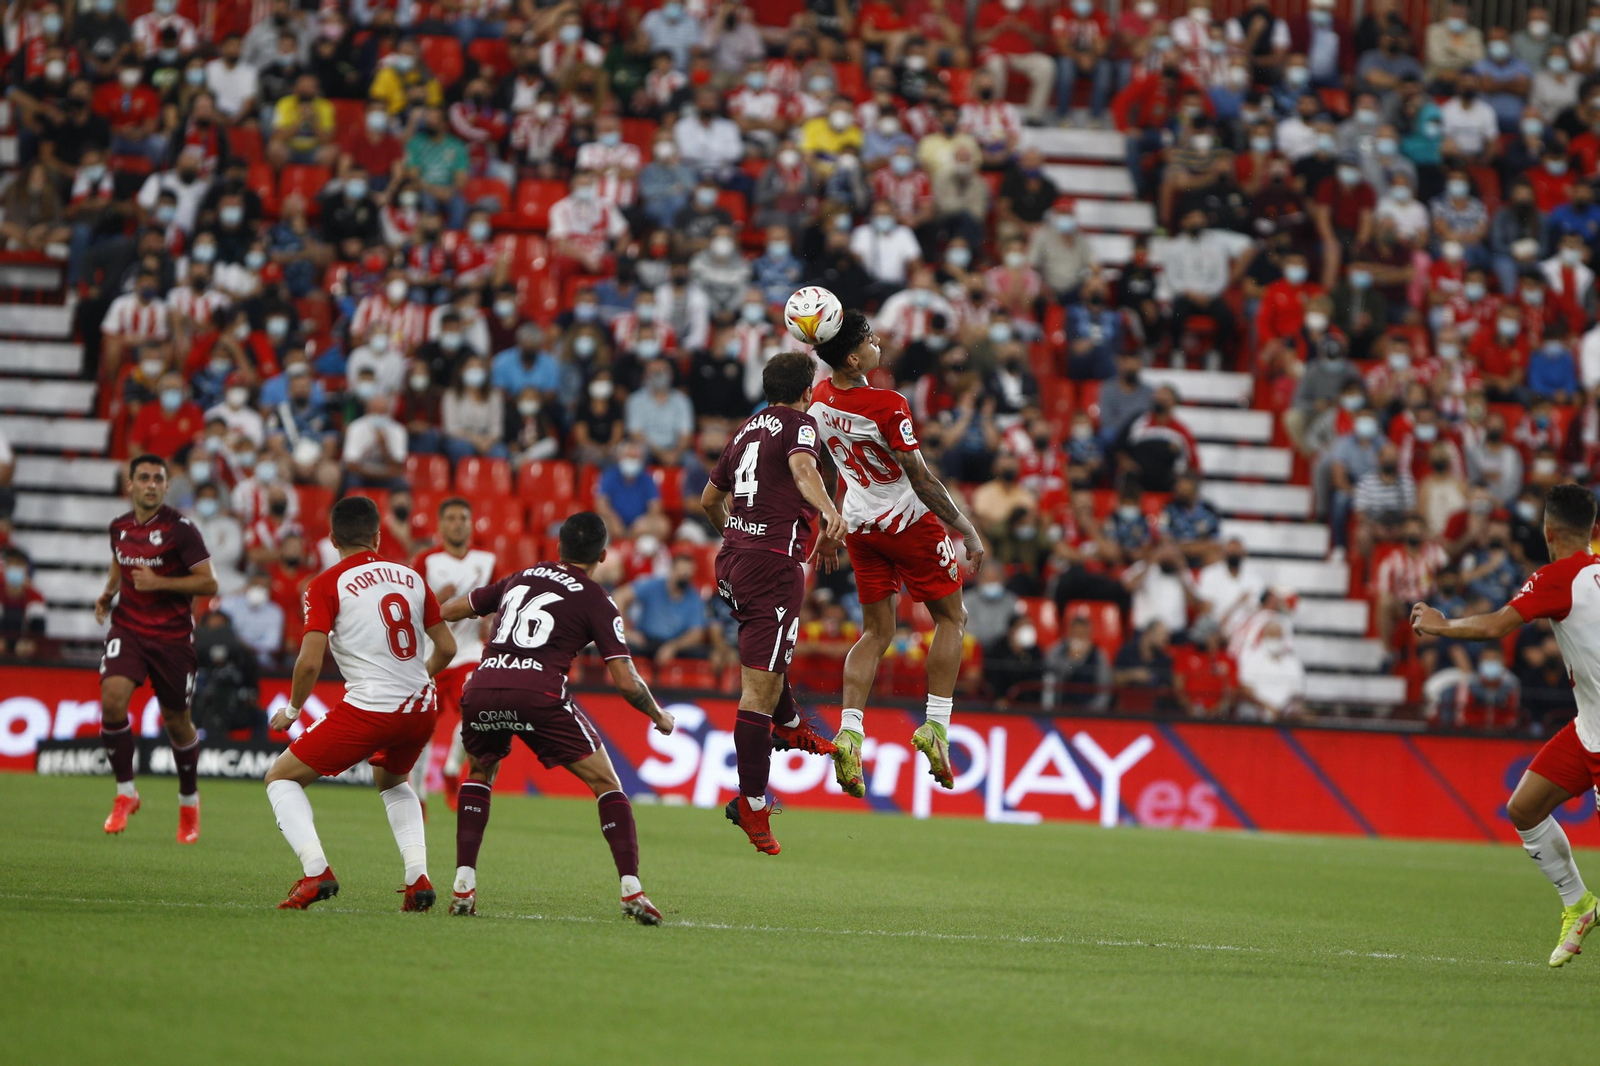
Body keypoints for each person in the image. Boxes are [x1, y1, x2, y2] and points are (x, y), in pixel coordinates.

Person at [436, 512, 674, 923]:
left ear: (558, 547)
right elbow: (625, 680)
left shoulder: (520, 576)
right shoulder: (596, 598)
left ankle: (463, 883)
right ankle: (631, 890)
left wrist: (413, 620)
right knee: (606, 782)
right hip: (537, 693)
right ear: (602, 554)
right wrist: (657, 713)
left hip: (482, 686)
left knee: (479, 772)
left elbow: (456, 608)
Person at [1410, 483, 1600, 966]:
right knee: (1525, 807)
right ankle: (1579, 904)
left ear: (1548, 531)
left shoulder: (1558, 576)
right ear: (1593, 530)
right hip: (1588, 727)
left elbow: (1496, 626)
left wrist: (1439, 623)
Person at [809, 309, 986, 797]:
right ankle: (936, 725)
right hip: (908, 522)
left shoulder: (819, 400)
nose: (877, 341)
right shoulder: (888, 405)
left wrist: (830, 522)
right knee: (952, 619)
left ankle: (849, 730)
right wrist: (966, 529)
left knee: (876, 631)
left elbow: (834, 467)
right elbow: (922, 479)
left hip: (861, 525)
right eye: (868, 338)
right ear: (851, 356)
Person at [264, 496, 457, 911]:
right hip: (422, 707)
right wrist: (416, 678)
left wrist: (293, 711)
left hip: (373, 706)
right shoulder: (411, 577)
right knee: (394, 781)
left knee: (280, 778)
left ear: (332, 538)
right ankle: (417, 878)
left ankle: (316, 872)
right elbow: (447, 646)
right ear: (377, 536)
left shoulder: (324, 584)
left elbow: (310, 661)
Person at [699, 352, 847, 855]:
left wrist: (735, 540)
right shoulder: (800, 425)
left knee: (769, 663)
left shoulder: (745, 430)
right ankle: (752, 804)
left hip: (733, 563)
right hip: (772, 567)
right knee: (756, 691)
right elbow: (804, 469)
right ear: (807, 391)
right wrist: (828, 511)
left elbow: (708, 500)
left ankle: (789, 726)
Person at [95, 455, 218, 842]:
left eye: (158, 479)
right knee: (112, 700)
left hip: (172, 639)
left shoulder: (181, 530)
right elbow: (120, 563)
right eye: (143, 478)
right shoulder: (118, 527)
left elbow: (208, 584)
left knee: (177, 722)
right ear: (130, 485)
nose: (151, 484)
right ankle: (125, 794)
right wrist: (108, 593)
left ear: (166, 486)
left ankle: (188, 800)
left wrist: (159, 583)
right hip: (128, 628)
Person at [411, 498, 497, 812]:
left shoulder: (487, 561)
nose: (457, 523)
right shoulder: (426, 561)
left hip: (470, 652)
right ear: (440, 524)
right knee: (423, 731)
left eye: (463, 517)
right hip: (431, 655)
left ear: (470, 522)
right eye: (451, 518)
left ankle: (450, 769)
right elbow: (406, 609)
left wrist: (492, 622)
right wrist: (435, 600)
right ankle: (418, 798)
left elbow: (502, 603)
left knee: (477, 712)